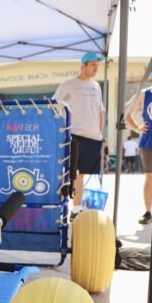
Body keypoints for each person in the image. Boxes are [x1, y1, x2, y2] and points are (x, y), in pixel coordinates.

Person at [53, 52, 106, 218]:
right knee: (66, 174)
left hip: (93, 138)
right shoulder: (69, 85)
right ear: (83, 65)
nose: (96, 68)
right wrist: (66, 125)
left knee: (82, 175)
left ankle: (75, 211)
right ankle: (59, 208)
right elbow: (54, 105)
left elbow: (100, 110)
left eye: (98, 65)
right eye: (93, 65)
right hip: (74, 136)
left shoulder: (96, 86)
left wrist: (99, 133)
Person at [126, 66, 152, 224]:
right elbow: (126, 113)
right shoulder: (145, 94)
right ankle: (148, 212)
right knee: (150, 177)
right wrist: (137, 127)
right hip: (148, 142)